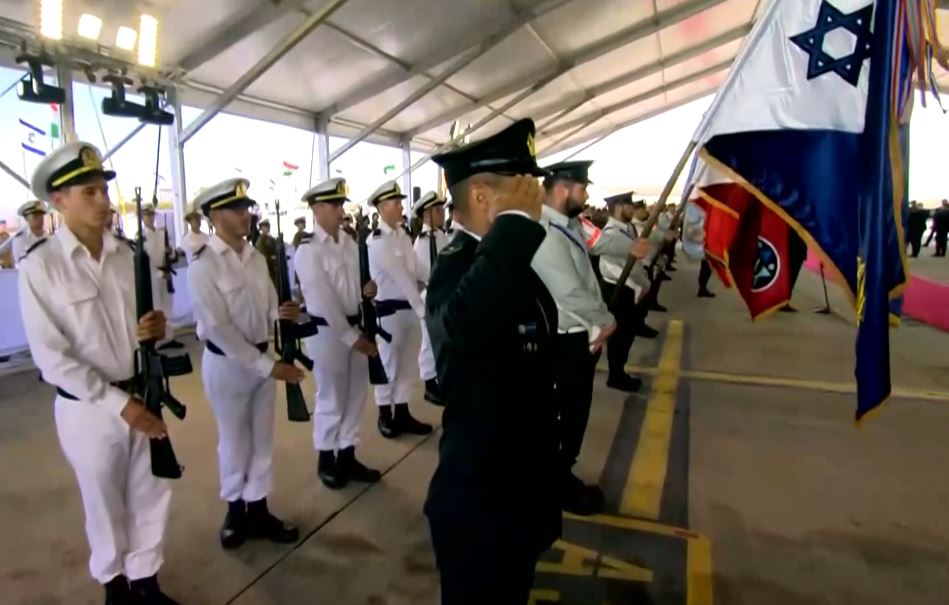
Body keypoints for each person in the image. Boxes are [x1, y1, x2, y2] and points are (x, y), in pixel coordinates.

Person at [19, 142, 179, 604]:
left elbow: (155, 317)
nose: (104, 202)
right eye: (89, 192)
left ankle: (146, 580)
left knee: (151, 492)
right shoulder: (41, 266)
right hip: (90, 408)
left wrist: (158, 326)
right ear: (59, 200)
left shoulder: (129, 256)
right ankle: (115, 586)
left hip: (142, 391)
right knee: (105, 504)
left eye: (103, 191)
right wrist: (119, 405)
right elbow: (52, 358)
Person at [426, 118, 560, 604]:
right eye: (522, 188)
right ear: (482, 198)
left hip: (515, 501)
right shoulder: (458, 268)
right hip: (479, 511)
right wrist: (515, 229)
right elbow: (462, 326)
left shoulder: (503, 263)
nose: (536, 198)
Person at [188, 178, 302, 550]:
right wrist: (268, 367)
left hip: (261, 356)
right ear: (213, 216)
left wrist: (284, 312)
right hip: (229, 365)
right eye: (236, 210)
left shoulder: (254, 257)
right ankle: (236, 512)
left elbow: (268, 302)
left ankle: (259, 508)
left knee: (261, 440)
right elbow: (218, 329)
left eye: (246, 208)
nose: (245, 215)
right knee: (235, 443)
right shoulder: (203, 266)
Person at [530, 160, 619, 516]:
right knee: (567, 414)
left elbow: (592, 258)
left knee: (574, 413)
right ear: (563, 188)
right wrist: (606, 318)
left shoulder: (567, 225)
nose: (586, 194)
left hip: (580, 334)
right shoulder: (547, 232)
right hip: (566, 339)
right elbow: (568, 292)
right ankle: (556, 483)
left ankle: (559, 473)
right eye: (582, 188)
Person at [294, 178, 383, 489]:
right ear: (316, 209)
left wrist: (367, 290)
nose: (340, 209)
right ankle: (326, 458)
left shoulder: (348, 242)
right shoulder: (308, 250)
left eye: (341, 204)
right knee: (331, 396)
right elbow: (322, 300)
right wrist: (352, 338)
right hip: (328, 333)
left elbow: (352, 288)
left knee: (356, 395)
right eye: (333, 204)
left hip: (354, 325)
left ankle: (347, 454)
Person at [366, 180, 433, 439]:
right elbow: (401, 277)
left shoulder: (404, 235)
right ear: (382, 208)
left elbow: (416, 271)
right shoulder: (378, 240)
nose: (400, 206)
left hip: (409, 310)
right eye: (395, 203)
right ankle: (385, 414)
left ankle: (402, 414)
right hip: (391, 312)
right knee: (388, 365)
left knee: (406, 366)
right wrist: (422, 309)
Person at [593, 192, 653, 392]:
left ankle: (620, 370)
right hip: (617, 289)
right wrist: (635, 286)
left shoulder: (627, 229)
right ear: (618, 207)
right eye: (628, 205)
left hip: (630, 287)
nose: (632, 209)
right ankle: (616, 375)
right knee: (619, 336)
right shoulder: (610, 232)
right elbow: (608, 266)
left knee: (627, 334)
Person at [411, 191, 450, 405]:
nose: (441, 213)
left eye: (441, 209)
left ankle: (439, 377)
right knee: (427, 338)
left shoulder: (442, 236)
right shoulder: (420, 242)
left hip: (443, 291)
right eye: (436, 210)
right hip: (428, 292)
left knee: (441, 337)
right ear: (426, 214)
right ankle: (429, 383)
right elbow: (417, 274)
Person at [141, 205, 181, 350]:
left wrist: (171, 253)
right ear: (142, 218)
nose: (150, 218)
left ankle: (169, 337)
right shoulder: (141, 237)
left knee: (168, 305)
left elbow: (169, 253)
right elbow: (145, 261)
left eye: (152, 215)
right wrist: (159, 273)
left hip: (166, 272)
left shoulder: (161, 233)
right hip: (154, 275)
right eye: (147, 216)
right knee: (157, 306)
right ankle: (158, 341)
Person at [12, 200, 49, 267]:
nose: (40, 218)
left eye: (41, 215)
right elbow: (22, 265)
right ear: (26, 218)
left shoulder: (48, 236)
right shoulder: (20, 239)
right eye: (35, 216)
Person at [255, 218, 279, 287]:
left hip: (273, 268)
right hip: (266, 268)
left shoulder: (271, 239)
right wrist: (271, 258)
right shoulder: (260, 241)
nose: (266, 229)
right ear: (261, 229)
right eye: (264, 227)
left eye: (267, 227)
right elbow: (261, 255)